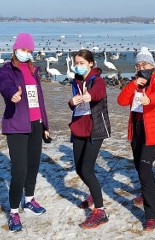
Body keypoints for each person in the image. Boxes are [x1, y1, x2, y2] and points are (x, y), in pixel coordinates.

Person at [0, 32, 50, 232]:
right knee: (19, 171)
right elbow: (5, 85)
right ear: (15, 49)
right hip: (17, 125)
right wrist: (12, 94)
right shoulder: (6, 70)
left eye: (29, 50)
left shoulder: (34, 70)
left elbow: (40, 98)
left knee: (33, 166)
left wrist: (45, 123)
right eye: (23, 49)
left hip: (35, 124)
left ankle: (29, 200)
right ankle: (13, 212)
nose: (25, 53)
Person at [117, 47, 155, 231]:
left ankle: (151, 216)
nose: (142, 66)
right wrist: (133, 84)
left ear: (152, 65)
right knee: (139, 166)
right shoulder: (137, 82)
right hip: (137, 129)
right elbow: (122, 101)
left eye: (145, 63)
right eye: (139, 64)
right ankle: (146, 194)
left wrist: (149, 100)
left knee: (145, 168)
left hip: (152, 130)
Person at [68, 49, 111, 229]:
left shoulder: (97, 80)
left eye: (81, 63)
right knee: (79, 168)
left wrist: (89, 95)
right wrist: (72, 102)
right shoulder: (76, 81)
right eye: (76, 63)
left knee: (87, 169)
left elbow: (99, 92)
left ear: (91, 64)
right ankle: (93, 195)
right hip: (79, 128)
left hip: (95, 130)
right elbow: (74, 106)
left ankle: (100, 212)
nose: (78, 66)